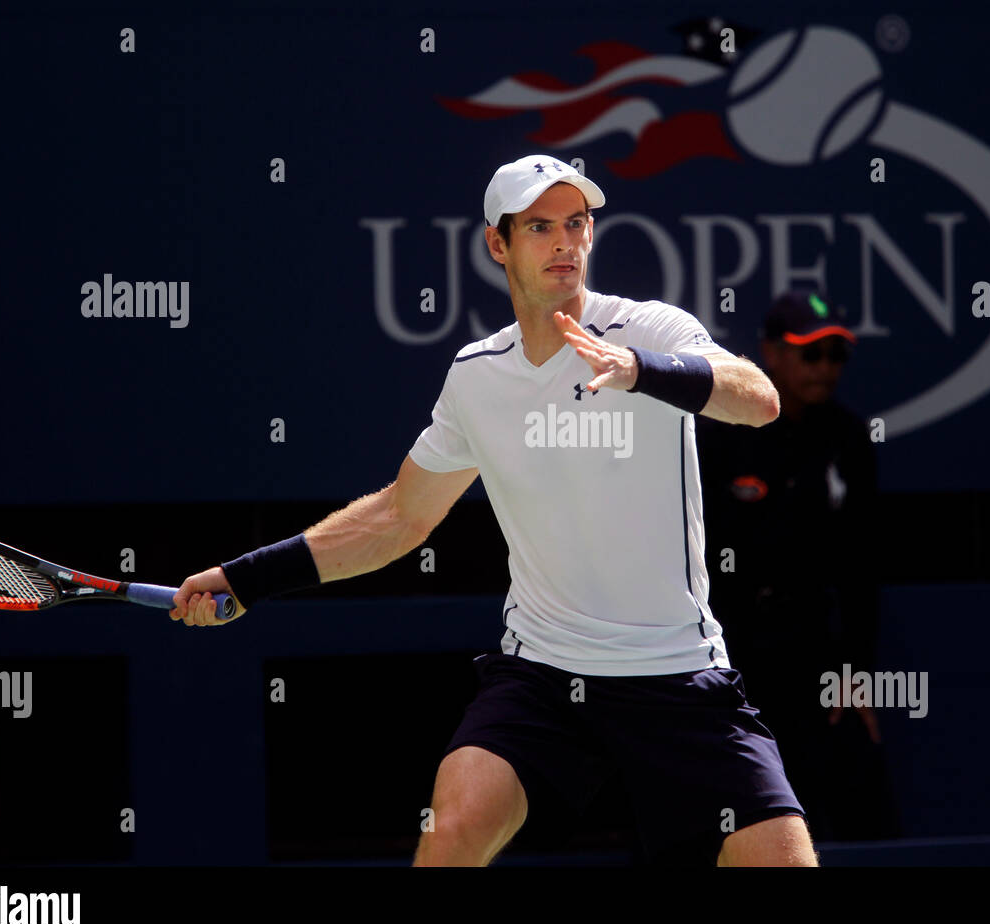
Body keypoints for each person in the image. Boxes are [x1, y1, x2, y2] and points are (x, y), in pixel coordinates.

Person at [169, 155, 818, 867]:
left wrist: (639, 370)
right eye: (540, 227)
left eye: (576, 224)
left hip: (677, 672)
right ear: (498, 244)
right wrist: (246, 578)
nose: (564, 243)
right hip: (542, 674)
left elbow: (759, 400)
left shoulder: (650, 330)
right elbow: (398, 518)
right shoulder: (479, 377)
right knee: (452, 830)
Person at [697, 289, 898, 842]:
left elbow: (860, 563)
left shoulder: (848, 438)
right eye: (812, 353)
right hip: (728, 650)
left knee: (843, 791)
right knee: (719, 801)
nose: (826, 368)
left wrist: (857, 668)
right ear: (771, 353)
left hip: (814, 650)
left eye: (837, 355)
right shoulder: (719, 435)